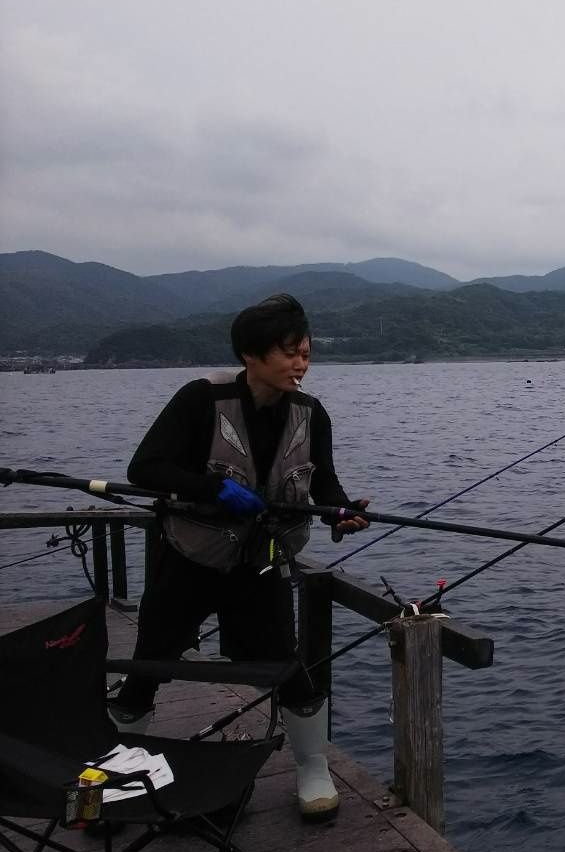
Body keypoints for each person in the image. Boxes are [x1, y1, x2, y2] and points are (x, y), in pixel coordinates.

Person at [108, 293, 371, 822]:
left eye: (306, 353)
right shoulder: (200, 399)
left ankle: (312, 769)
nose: (301, 364)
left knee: (288, 667)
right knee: (147, 666)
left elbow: (322, 480)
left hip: (262, 562)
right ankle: (118, 773)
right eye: (290, 353)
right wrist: (213, 490)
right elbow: (145, 469)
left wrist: (339, 511)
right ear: (252, 355)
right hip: (189, 557)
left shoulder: (310, 413)